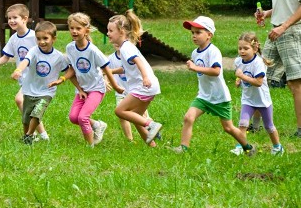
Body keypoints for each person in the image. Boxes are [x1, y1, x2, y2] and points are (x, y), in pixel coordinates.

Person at [172, 16, 256, 155]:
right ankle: (183, 148)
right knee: (188, 117)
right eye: (192, 33)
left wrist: (195, 68)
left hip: (219, 97)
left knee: (228, 128)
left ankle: (248, 147)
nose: (194, 36)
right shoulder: (195, 52)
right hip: (204, 96)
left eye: (198, 32)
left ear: (209, 35)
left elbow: (216, 71)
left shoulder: (213, 51)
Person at [258, 0, 301, 138]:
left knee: (295, 82)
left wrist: (283, 26)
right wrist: (267, 13)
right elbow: (287, 4)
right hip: (276, 31)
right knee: (258, 76)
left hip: (291, 32)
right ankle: (255, 125)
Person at [0, 3, 48, 140]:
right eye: (9, 18)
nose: (11, 21)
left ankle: (37, 135)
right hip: (24, 79)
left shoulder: (34, 37)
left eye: (15, 17)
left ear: (25, 19)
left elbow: (45, 51)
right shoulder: (14, 39)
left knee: (20, 100)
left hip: (35, 77)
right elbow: (6, 56)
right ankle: (40, 135)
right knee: (29, 107)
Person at [60, 13, 122, 146]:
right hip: (82, 89)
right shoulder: (70, 48)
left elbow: (106, 68)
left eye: (78, 28)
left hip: (96, 89)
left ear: (86, 30)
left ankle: (90, 146)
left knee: (82, 117)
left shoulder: (93, 51)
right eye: (72, 28)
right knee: (73, 118)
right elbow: (72, 70)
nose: (74, 31)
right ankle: (98, 125)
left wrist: (115, 86)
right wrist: (74, 85)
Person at [107, 10, 163, 146]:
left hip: (143, 86)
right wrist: (107, 72)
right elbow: (125, 68)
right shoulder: (125, 47)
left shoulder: (126, 48)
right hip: (150, 86)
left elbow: (139, 61)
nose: (108, 33)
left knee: (120, 111)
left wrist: (145, 78)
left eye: (110, 30)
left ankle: (151, 124)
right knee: (135, 116)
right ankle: (153, 146)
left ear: (121, 32)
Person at [12, 21, 70, 144]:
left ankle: (28, 135)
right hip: (29, 89)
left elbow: (70, 71)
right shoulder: (34, 51)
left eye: (45, 38)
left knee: (37, 114)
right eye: (38, 39)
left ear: (54, 39)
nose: (41, 42)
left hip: (46, 92)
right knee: (26, 118)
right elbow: (25, 61)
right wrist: (18, 70)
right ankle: (28, 136)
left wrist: (63, 80)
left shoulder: (59, 57)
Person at [233, 31, 283, 155]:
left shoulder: (258, 63)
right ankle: (240, 146)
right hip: (248, 100)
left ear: (255, 49)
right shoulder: (238, 61)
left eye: (246, 48)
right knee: (243, 123)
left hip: (262, 101)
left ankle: (277, 147)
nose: (242, 51)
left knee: (269, 127)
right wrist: (238, 80)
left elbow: (258, 82)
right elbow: (240, 72)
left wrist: (242, 77)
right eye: (240, 48)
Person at [107, 46, 150, 142]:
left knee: (141, 116)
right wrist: (106, 82)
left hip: (135, 92)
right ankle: (130, 139)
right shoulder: (111, 58)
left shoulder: (130, 55)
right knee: (121, 115)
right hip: (121, 93)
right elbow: (107, 71)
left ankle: (152, 130)